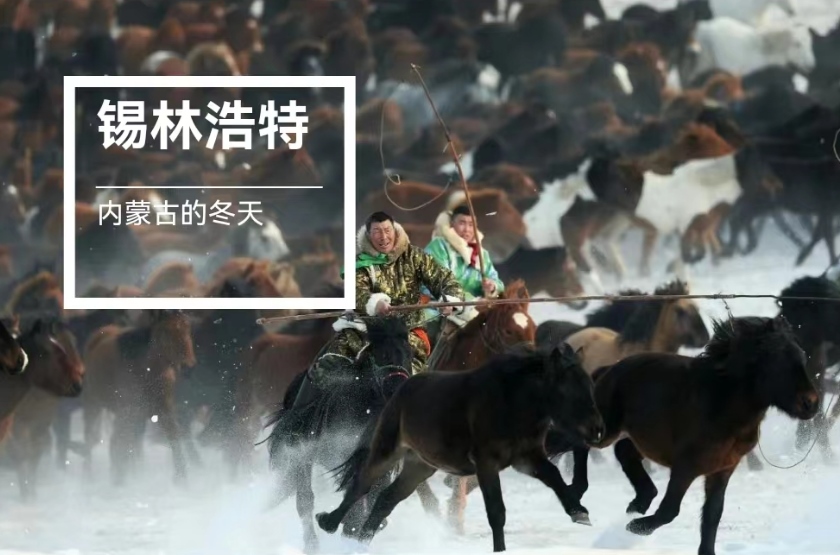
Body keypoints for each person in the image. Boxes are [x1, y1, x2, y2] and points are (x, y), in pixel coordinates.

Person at [292, 211, 471, 408]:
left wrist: (450, 300)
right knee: (329, 364)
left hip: (407, 330)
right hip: (365, 329)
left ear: (394, 231)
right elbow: (356, 291)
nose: (383, 237)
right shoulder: (359, 263)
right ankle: (315, 411)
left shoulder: (415, 257)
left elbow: (445, 279)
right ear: (369, 235)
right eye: (377, 232)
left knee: (412, 371)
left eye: (387, 230)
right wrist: (375, 303)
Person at [421, 204, 505, 343]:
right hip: (438, 309)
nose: (467, 229)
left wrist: (492, 287)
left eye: (471, 224)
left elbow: (498, 283)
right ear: (452, 224)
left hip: (475, 313)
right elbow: (441, 283)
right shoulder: (439, 246)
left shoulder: (482, 254)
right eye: (462, 223)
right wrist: (474, 302)